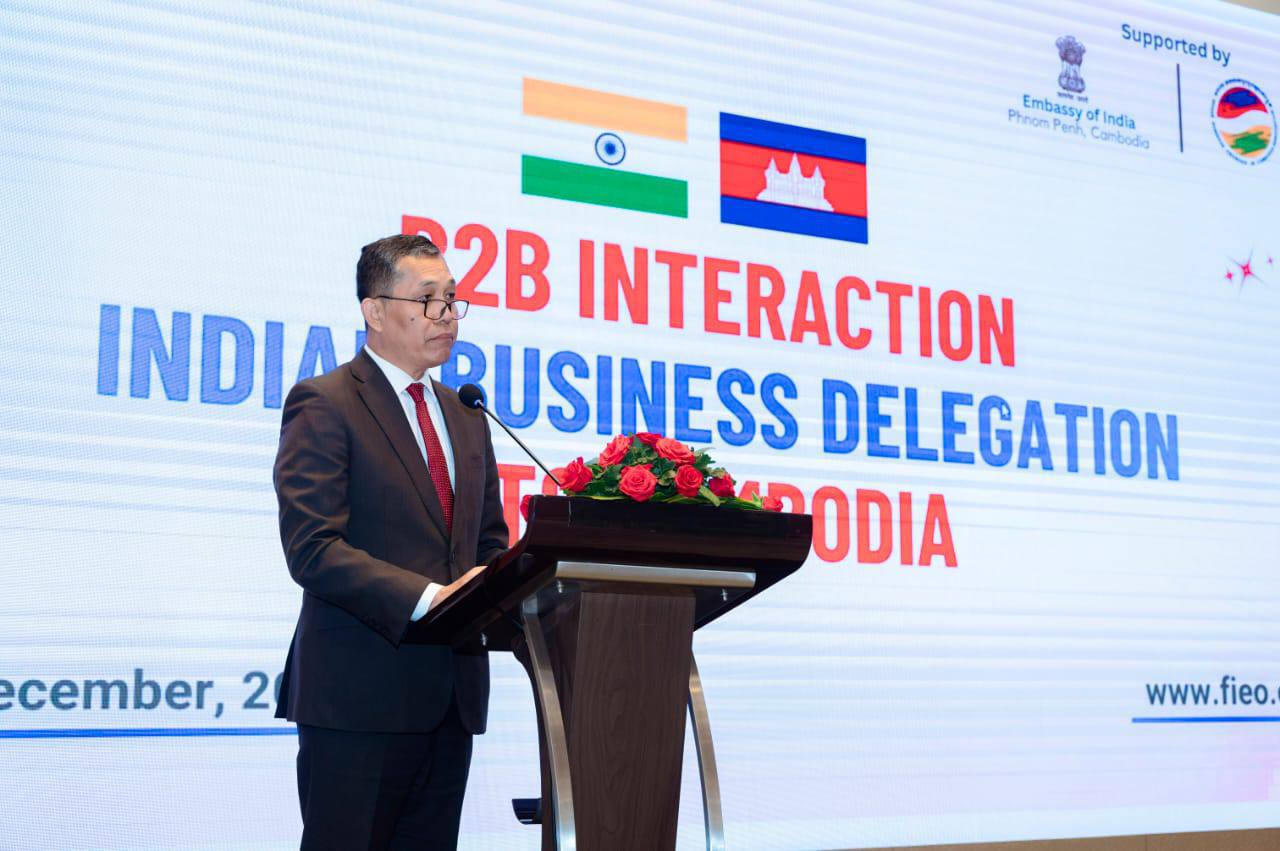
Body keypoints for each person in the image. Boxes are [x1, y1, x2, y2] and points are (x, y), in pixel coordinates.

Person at [272, 233, 508, 849]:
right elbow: (313, 547)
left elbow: (488, 543)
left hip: (451, 699)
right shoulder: (325, 403)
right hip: (358, 697)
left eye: (452, 299)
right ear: (374, 311)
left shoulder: (467, 415)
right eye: (428, 300)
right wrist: (430, 598)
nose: (448, 315)